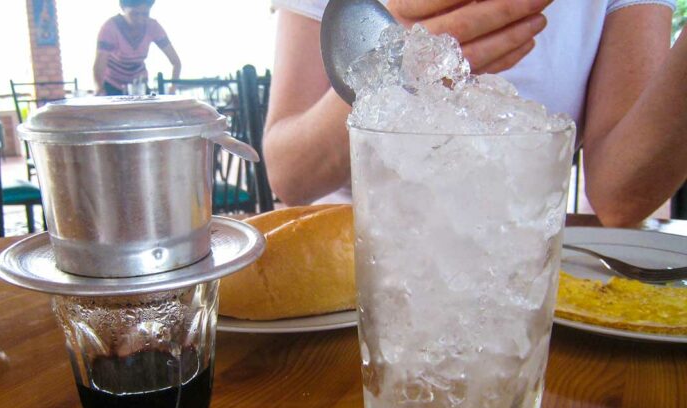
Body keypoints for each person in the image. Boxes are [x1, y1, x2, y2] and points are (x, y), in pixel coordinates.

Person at [264, 0, 687, 227]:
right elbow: (290, 175)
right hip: (360, 266)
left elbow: (620, 201)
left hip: (524, 268)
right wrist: (390, 62)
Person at [93, 0, 181, 96]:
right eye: (134, 14)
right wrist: (100, 88)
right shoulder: (110, 27)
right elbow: (99, 65)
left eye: (145, 14)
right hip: (112, 85)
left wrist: (173, 87)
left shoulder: (153, 26)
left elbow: (176, 62)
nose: (140, 19)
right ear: (123, 8)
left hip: (139, 85)